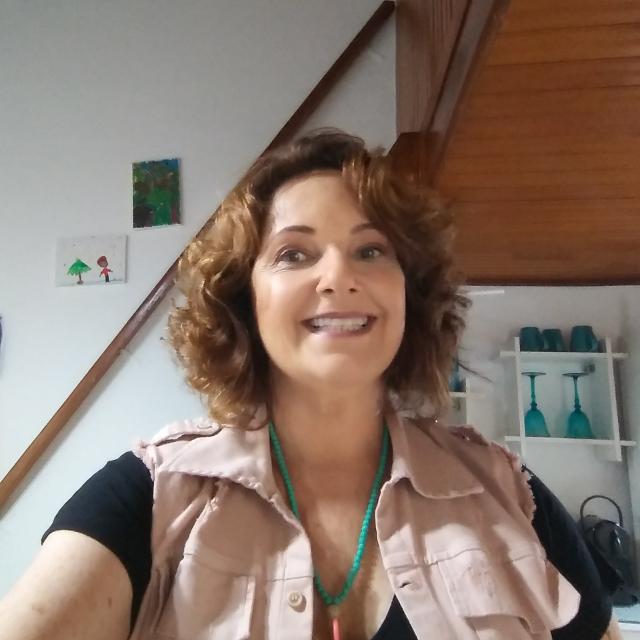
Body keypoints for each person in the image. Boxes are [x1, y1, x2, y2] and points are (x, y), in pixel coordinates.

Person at [0, 131, 623, 640]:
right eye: (294, 254)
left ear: (409, 294)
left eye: (371, 250)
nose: (338, 277)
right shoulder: (147, 496)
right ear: (245, 300)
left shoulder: (509, 493)